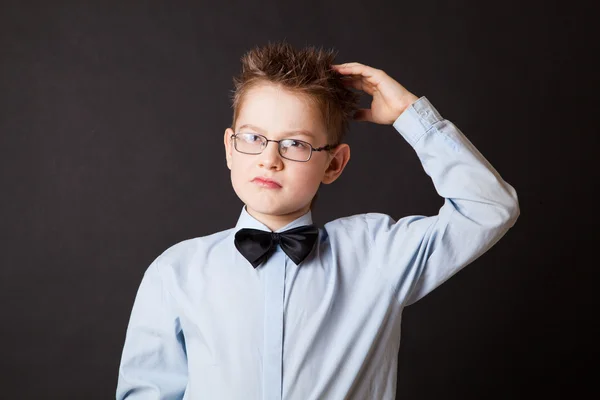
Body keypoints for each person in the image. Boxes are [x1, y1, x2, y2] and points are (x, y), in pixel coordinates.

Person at [116, 41, 519, 399]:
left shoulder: (377, 253)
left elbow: (489, 208)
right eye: (254, 138)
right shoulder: (175, 272)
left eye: (296, 144)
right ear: (229, 148)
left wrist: (410, 116)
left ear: (334, 163)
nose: (269, 159)